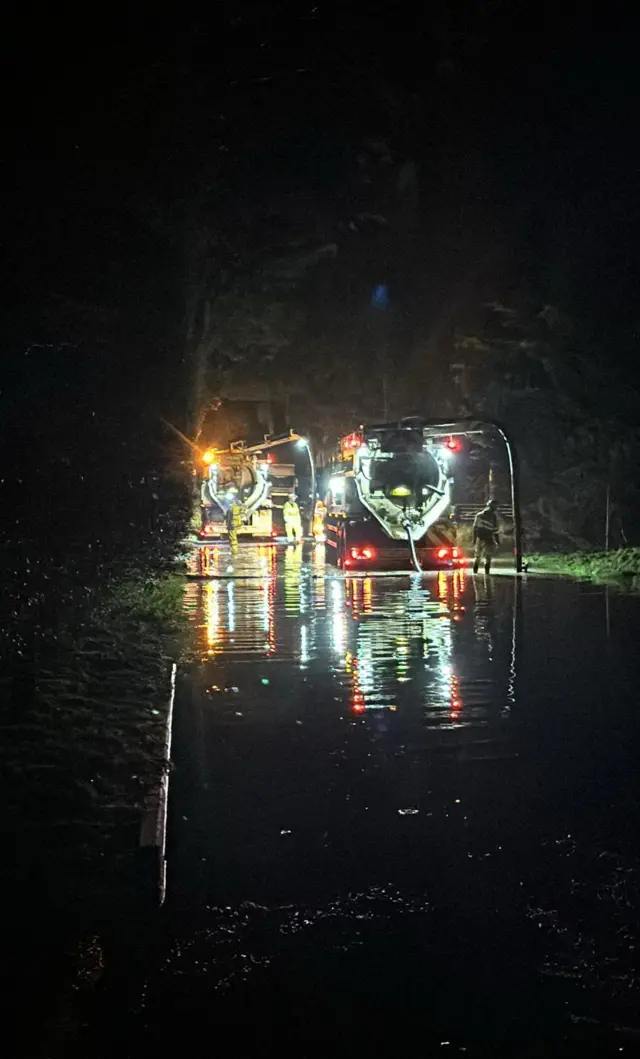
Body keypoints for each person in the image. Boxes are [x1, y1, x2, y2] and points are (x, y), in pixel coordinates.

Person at [473, 498, 500, 574]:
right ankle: (484, 574)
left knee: (480, 557)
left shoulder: (480, 515)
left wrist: (474, 539)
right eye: (495, 507)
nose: (495, 509)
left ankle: (477, 574)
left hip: (484, 538)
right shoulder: (489, 517)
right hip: (484, 538)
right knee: (484, 557)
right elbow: (475, 529)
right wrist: (497, 541)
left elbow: (475, 529)